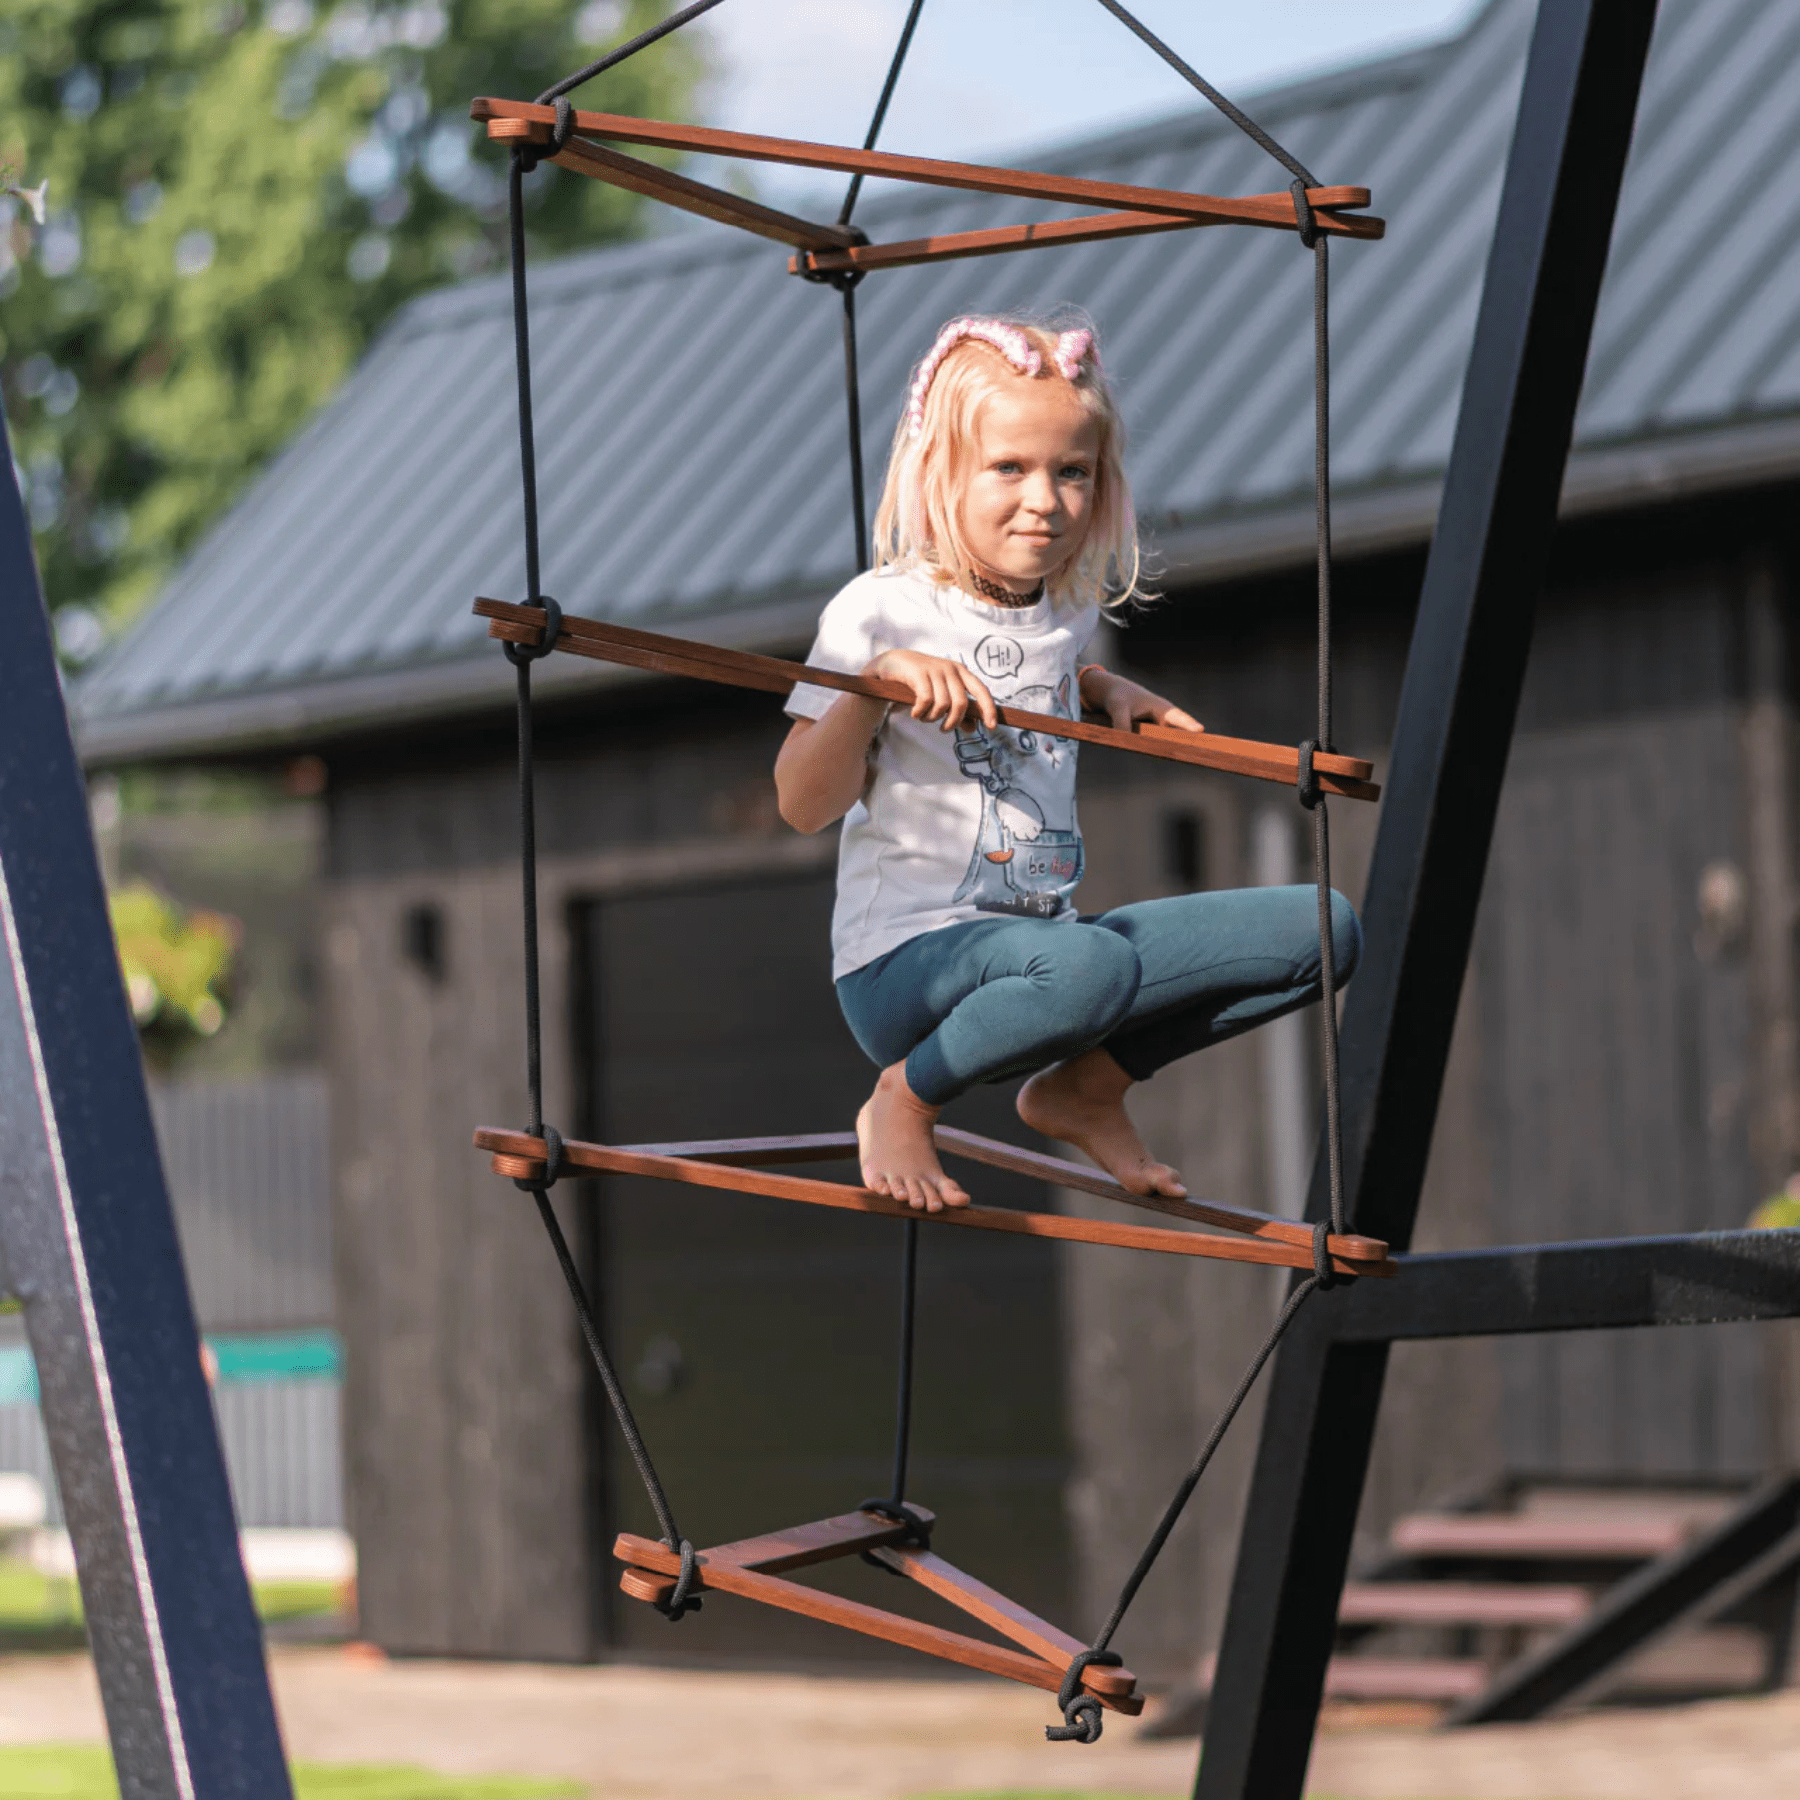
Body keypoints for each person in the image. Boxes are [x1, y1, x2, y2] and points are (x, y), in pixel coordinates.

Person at [774, 313, 1359, 1213]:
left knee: (1327, 927)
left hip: (1046, 958)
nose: (1044, 499)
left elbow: (1024, 661)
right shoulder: (877, 611)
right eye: (1008, 467)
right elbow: (800, 803)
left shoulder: (1068, 611)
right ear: (941, 472)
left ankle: (1082, 1089)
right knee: (1089, 967)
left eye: (1070, 471)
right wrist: (872, 684)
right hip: (906, 969)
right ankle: (902, 1098)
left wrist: (1096, 685)